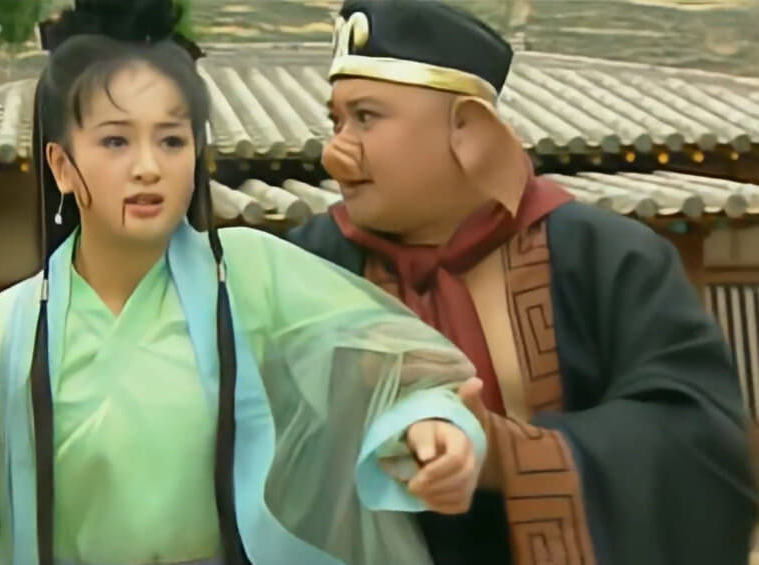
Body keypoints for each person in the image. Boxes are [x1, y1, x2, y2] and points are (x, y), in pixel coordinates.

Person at [0, 1, 490, 564]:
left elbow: (401, 369)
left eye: (171, 140)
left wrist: (431, 425)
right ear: (62, 166)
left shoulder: (251, 276)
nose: (148, 167)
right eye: (116, 141)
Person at [287, 1, 759, 564]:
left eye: (366, 118)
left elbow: (697, 440)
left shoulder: (606, 257)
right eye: (336, 122)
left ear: (468, 128)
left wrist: (504, 454)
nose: (335, 154)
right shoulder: (310, 265)